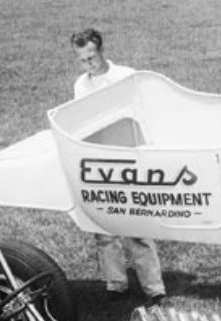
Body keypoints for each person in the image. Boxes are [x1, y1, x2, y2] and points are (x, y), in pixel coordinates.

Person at [70, 28, 167, 306]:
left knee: (137, 223)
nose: (88, 64)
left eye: (91, 57)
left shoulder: (125, 76)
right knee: (104, 225)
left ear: (101, 51)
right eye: (82, 60)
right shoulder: (81, 85)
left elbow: (142, 112)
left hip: (128, 156)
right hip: (98, 158)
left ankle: (153, 286)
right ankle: (115, 283)